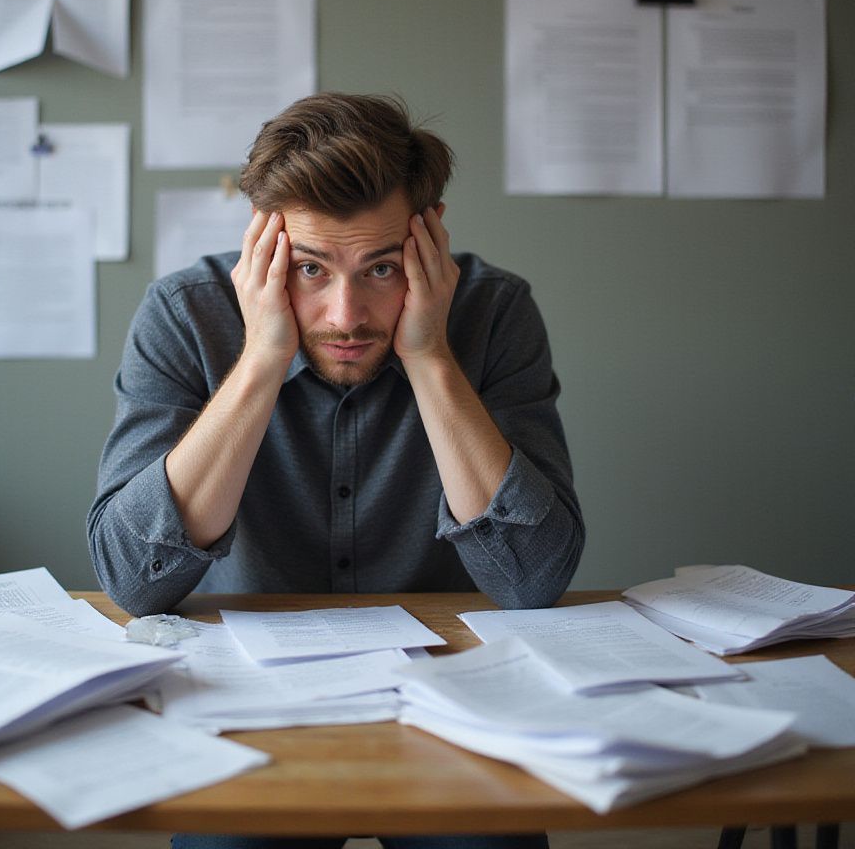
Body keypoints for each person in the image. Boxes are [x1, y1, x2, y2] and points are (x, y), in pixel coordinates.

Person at [88, 92, 582, 849]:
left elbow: (532, 579)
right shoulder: (184, 314)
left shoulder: (493, 311)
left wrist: (429, 355)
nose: (344, 314)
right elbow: (134, 578)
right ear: (264, 241)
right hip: (245, 699)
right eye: (310, 268)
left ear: (430, 235)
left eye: (382, 267)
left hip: (449, 697)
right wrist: (260, 360)